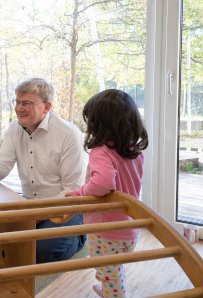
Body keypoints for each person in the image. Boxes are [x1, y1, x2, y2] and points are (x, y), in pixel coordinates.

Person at [0, 77, 87, 263]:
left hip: (65, 208)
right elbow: (2, 166)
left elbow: (71, 192)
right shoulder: (14, 129)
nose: (18, 108)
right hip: (28, 204)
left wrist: (34, 217)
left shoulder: (69, 135)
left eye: (26, 103)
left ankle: (80, 234)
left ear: (46, 107)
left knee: (42, 250)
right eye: (17, 102)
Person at [65, 89, 148, 298]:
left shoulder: (101, 151)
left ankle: (114, 293)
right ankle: (110, 288)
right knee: (114, 268)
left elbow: (103, 183)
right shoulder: (133, 151)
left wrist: (80, 193)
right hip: (130, 226)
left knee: (108, 272)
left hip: (106, 228)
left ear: (98, 124)